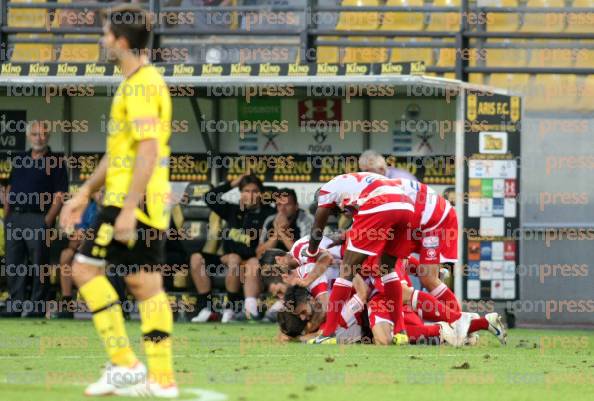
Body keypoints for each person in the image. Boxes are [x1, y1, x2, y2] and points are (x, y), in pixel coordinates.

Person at [59, 6, 177, 398]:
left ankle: (128, 365)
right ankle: (158, 378)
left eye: (106, 34)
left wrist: (127, 209)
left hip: (132, 203)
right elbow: (119, 154)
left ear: (122, 42)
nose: (102, 39)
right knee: (142, 283)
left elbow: (147, 152)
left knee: (88, 272)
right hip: (129, 200)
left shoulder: (142, 85)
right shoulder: (133, 83)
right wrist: (84, 192)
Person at [2, 121, 68, 318]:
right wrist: (7, 217)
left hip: (39, 218)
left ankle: (38, 307)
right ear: (29, 137)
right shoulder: (20, 159)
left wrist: (47, 221)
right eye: (35, 134)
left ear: (48, 137)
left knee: (40, 264)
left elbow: (60, 194)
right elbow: (10, 188)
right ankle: (15, 305)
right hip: (15, 217)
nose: (39, 137)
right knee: (14, 263)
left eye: (43, 134)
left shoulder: (56, 161)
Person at [192, 173, 274, 323]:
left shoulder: (268, 214)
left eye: (255, 191)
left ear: (261, 194)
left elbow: (264, 247)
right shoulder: (232, 210)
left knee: (234, 258)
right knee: (196, 258)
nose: (250, 195)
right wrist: (233, 183)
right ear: (241, 194)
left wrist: (237, 257)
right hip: (227, 258)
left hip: (250, 260)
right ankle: (207, 307)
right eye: (246, 191)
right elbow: (209, 197)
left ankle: (231, 309)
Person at [257, 188, 313, 256]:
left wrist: (282, 232)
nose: (282, 209)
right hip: (272, 261)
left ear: (296, 206)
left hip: (295, 263)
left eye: (287, 204)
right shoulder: (270, 220)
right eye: (279, 205)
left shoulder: (306, 221)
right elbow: (259, 253)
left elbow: (303, 254)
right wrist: (276, 233)